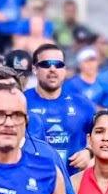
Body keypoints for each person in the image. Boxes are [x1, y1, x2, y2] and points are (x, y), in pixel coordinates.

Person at [26, 40, 92, 170]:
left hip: (72, 184)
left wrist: (89, 152)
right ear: (35, 69)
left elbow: (104, 136)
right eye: (46, 64)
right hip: (32, 182)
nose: (52, 69)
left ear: (65, 70)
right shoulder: (20, 101)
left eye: (58, 64)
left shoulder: (82, 104)